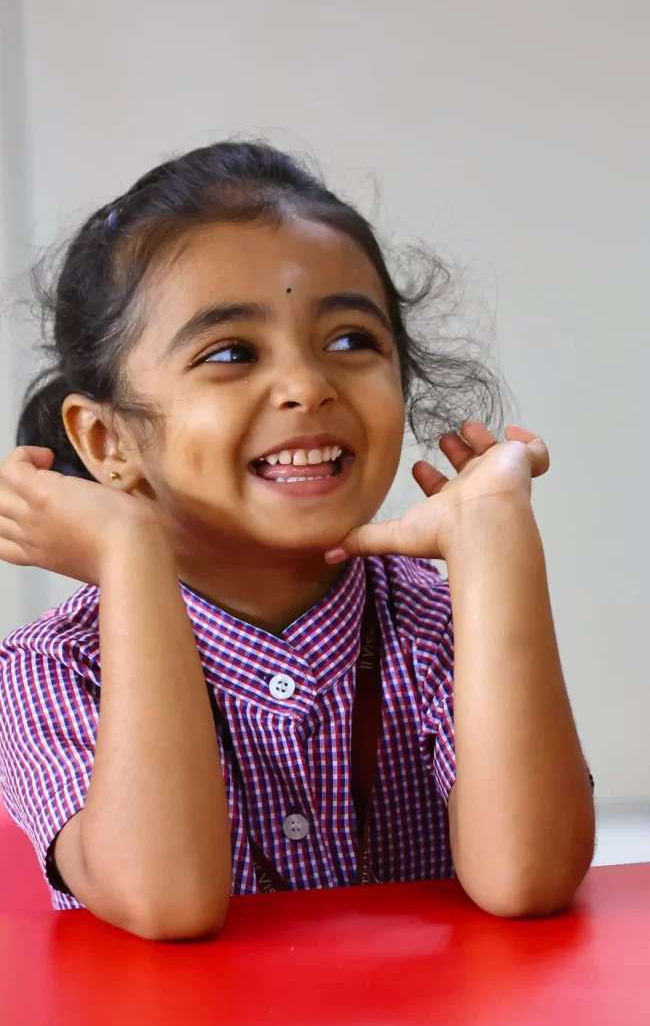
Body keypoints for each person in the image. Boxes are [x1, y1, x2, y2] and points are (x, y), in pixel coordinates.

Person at [0, 141, 594, 940]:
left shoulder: (447, 624)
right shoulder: (49, 671)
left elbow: (530, 878)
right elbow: (165, 901)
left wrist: (494, 538)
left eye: (351, 341)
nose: (309, 386)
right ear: (107, 444)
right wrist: (128, 554)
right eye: (232, 353)